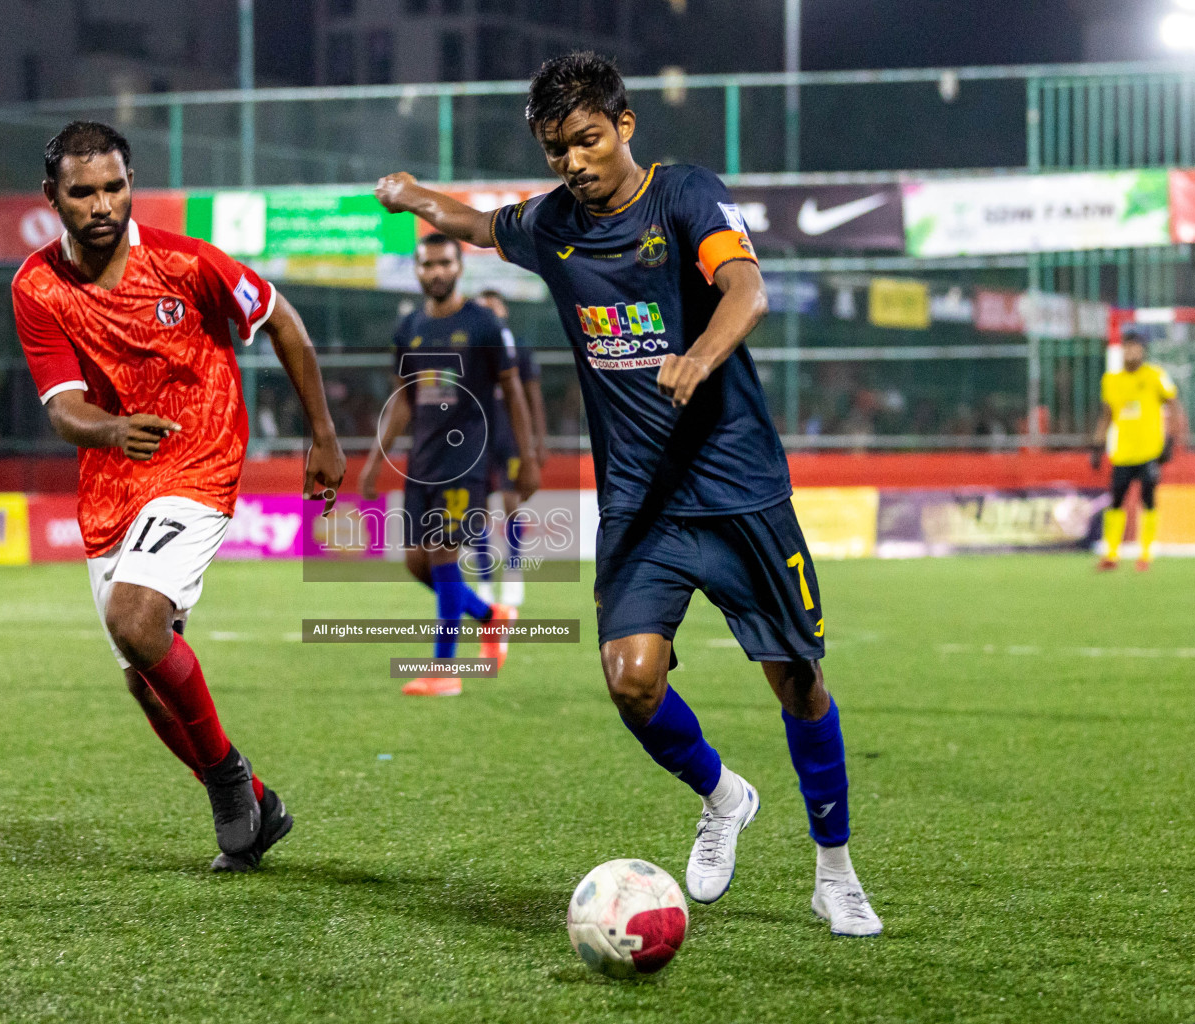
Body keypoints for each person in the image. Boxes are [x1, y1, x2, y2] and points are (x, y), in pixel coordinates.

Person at [375, 52, 881, 936]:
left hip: (739, 491)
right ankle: (723, 796)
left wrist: (698, 356)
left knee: (797, 681)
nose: (573, 161)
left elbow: (746, 287)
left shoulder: (685, 196)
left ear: (625, 125)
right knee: (631, 683)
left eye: (587, 139)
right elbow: (481, 225)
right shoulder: (552, 226)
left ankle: (834, 869)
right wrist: (417, 196)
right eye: (555, 149)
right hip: (643, 507)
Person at [12, 121, 346, 871]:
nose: (102, 205)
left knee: (134, 619)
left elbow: (284, 323)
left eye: (114, 187)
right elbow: (61, 407)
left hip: (198, 456)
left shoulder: (187, 263)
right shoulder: (37, 287)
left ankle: (226, 785)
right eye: (83, 192)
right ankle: (257, 801)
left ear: (131, 184)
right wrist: (110, 430)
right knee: (144, 679)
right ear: (52, 197)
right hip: (112, 476)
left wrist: (322, 436)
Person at [357, 235, 540, 697]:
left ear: (459, 267)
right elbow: (404, 400)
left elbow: (513, 391)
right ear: (417, 271)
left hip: (468, 460)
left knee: (441, 552)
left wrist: (528, 457)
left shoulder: (483, 325)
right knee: (418, 564)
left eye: (444, 263)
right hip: (422, 461)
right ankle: (489, 616)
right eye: (428, 264)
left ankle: (446, 671)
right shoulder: (409, 329)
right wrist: (374, 461)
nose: (436, 272)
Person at [472, 289, 549, 608]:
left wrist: (538, 440)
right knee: (478, 510)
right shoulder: (469, 351)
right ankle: (485, 580)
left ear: (504, 309)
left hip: (511, 436)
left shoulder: (520, 349)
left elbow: (533, 396)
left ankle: (514, 571)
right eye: (482, 306)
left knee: (511, 503)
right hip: (478, 437)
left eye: (494, 304)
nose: (489, 309)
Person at [1091, 326, 1186, 571]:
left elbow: (1174, 406)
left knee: (1148, 500)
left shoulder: (1155, 376)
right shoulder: (1111, 380)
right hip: (1123, 453)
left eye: (1136, 347)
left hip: (1149, 452)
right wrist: (1097, 445)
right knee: (1116, 501)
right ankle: (1111, 554)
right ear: (1122, 350)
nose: (1131, 352)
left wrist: (1171, 439)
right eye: (1127, 347)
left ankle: (1145, 554)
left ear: (1142, 351)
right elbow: (1106, 416)